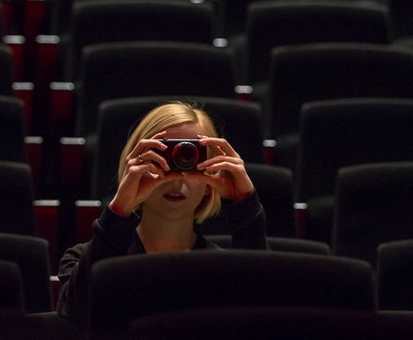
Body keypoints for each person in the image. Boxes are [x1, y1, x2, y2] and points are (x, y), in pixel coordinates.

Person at [56, 100, 267, 323]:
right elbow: (77, 313)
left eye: (190, 158)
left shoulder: (222, 270)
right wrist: (119, 209)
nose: (178, 177)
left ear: (211, 178)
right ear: (134, 168)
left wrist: (245, 204)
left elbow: (260, 314)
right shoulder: (84, 260)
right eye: (163, 158)